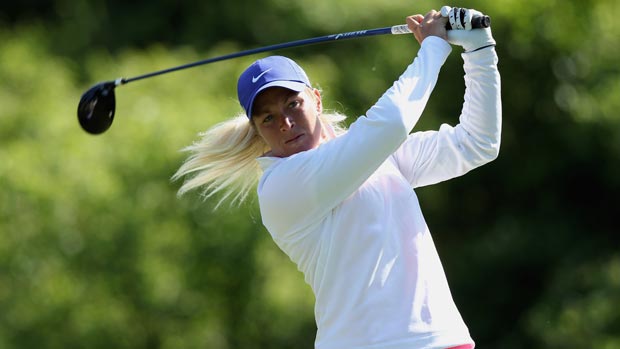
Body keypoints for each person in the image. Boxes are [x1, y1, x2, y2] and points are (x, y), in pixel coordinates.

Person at [173, 6, 501, 349]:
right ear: (257, 132)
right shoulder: (282, 186)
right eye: (268, 119)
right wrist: (433, 47)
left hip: (444, 339)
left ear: (316, 98)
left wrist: (479, 50)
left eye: (292, 104)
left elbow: (476, 144)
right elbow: (389, 125)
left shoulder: (374, 155)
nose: (285, 123)